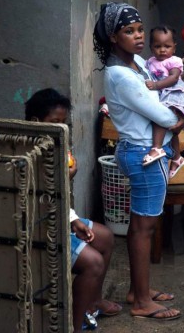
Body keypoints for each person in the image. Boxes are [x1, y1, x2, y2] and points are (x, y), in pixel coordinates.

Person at [93, 2, 181, 321]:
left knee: (139, 225)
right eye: (129, 32)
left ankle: (137, 290)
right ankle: (142, 302)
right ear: (114, 38)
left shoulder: (137, 63)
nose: (139, 36)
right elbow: (164, 114)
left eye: (140, 29)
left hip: (139, 150)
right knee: (144, 228)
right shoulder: (122, 75)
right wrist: (181, 114)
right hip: (144, 153)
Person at [25, 88, 121, 332]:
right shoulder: (27, 153)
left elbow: (60, 200)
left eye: (64, 123)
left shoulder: (58, 145)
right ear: (36, 122)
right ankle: (74, 326)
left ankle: (93, 303)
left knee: (106, 237)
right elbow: (41, 201)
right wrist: (64, 179)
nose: (62, 128)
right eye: (55, 123)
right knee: (93, 262)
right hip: (41, 229)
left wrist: (73, 219)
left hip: (60, 219)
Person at [142, 25, 184, 179]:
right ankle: (177, 158)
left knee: (160, 117)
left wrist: (156, 85)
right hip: (161, 93)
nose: (162, 50)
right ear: (151, 47)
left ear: (174, 47)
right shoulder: (150, 62)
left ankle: (157, 147)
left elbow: (172, 79)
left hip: (173, 94)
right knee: (172, 132)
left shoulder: (174, 61)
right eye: (158, 46)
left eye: (167, 46)